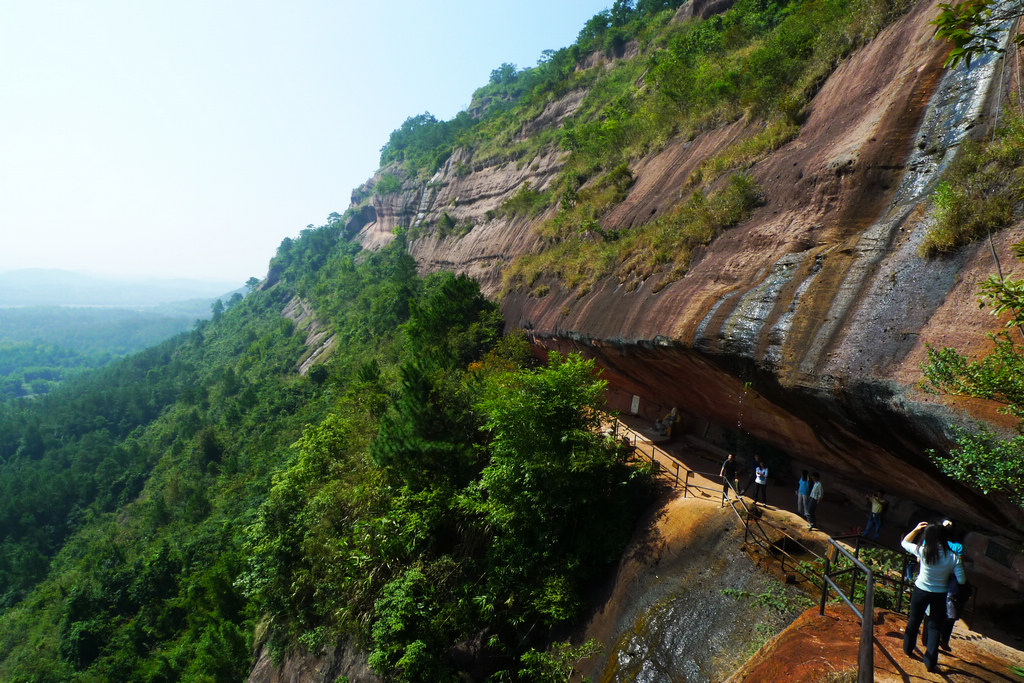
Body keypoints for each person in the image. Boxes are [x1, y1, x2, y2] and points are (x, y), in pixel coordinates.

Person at [901, 521, 966, 672]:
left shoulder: (923, 551)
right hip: (939, 594)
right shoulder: (953, 557)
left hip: (920, 590)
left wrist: (916, 529)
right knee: (935, 627)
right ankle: (930, 662)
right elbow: (962, 580)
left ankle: (908, 649)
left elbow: (904, 542)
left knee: (914, 620)